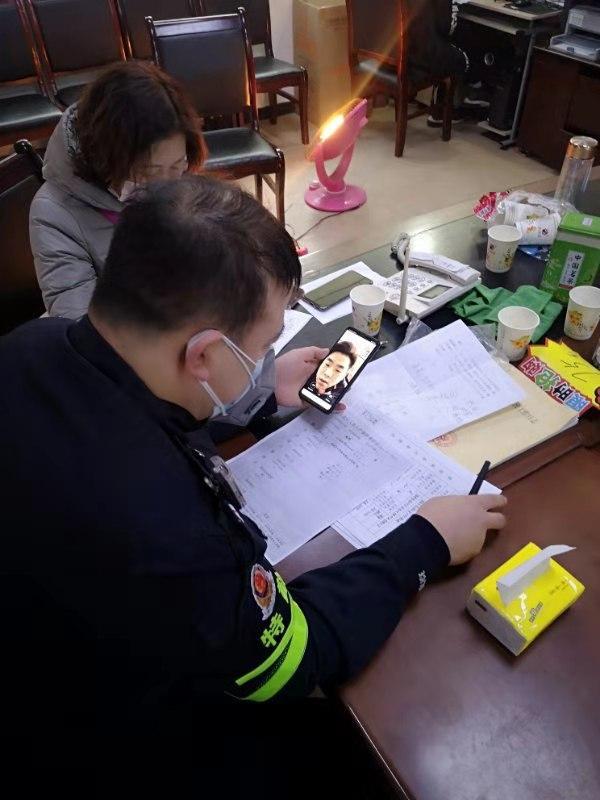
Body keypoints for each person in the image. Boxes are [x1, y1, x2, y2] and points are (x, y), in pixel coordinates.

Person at [1, 176, 507, 793]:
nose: (267, 357)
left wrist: (258, 392)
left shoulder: (33, 344)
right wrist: (424, 542)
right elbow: (286, 664)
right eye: (264, 346)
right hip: (115, 739)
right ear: (204, 356)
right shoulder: (168, 531)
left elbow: (138, 411)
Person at [29, 61, 207, 320]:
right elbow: (79, 323)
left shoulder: (175, 178)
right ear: (106, 157)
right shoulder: (54, 213)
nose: (167, 185)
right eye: (149, 172)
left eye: (177, 165)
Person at [305, 340, 357, 405]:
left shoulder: (343, 388)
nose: (327, 374)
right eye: (327, 364)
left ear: (345, 375)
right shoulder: (308, 370)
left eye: (338, 370)